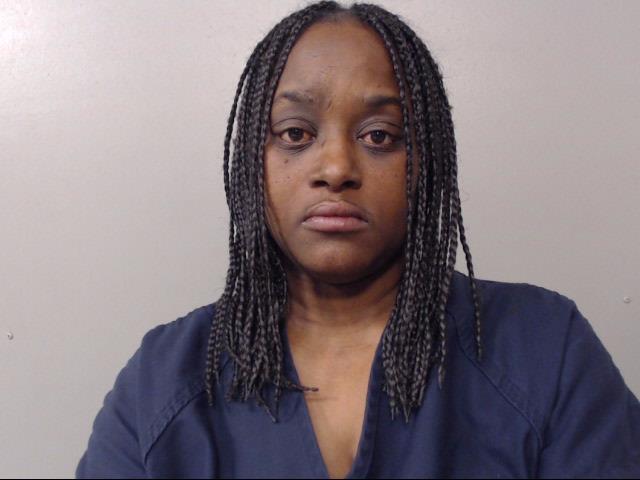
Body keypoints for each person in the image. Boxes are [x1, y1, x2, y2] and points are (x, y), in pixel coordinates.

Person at [75, 1, 640, 478]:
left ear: (427, 163)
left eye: (380, 136)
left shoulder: (545, 350)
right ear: (252, 160)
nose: (337, 168)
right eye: (295, 133)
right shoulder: (162, 380)